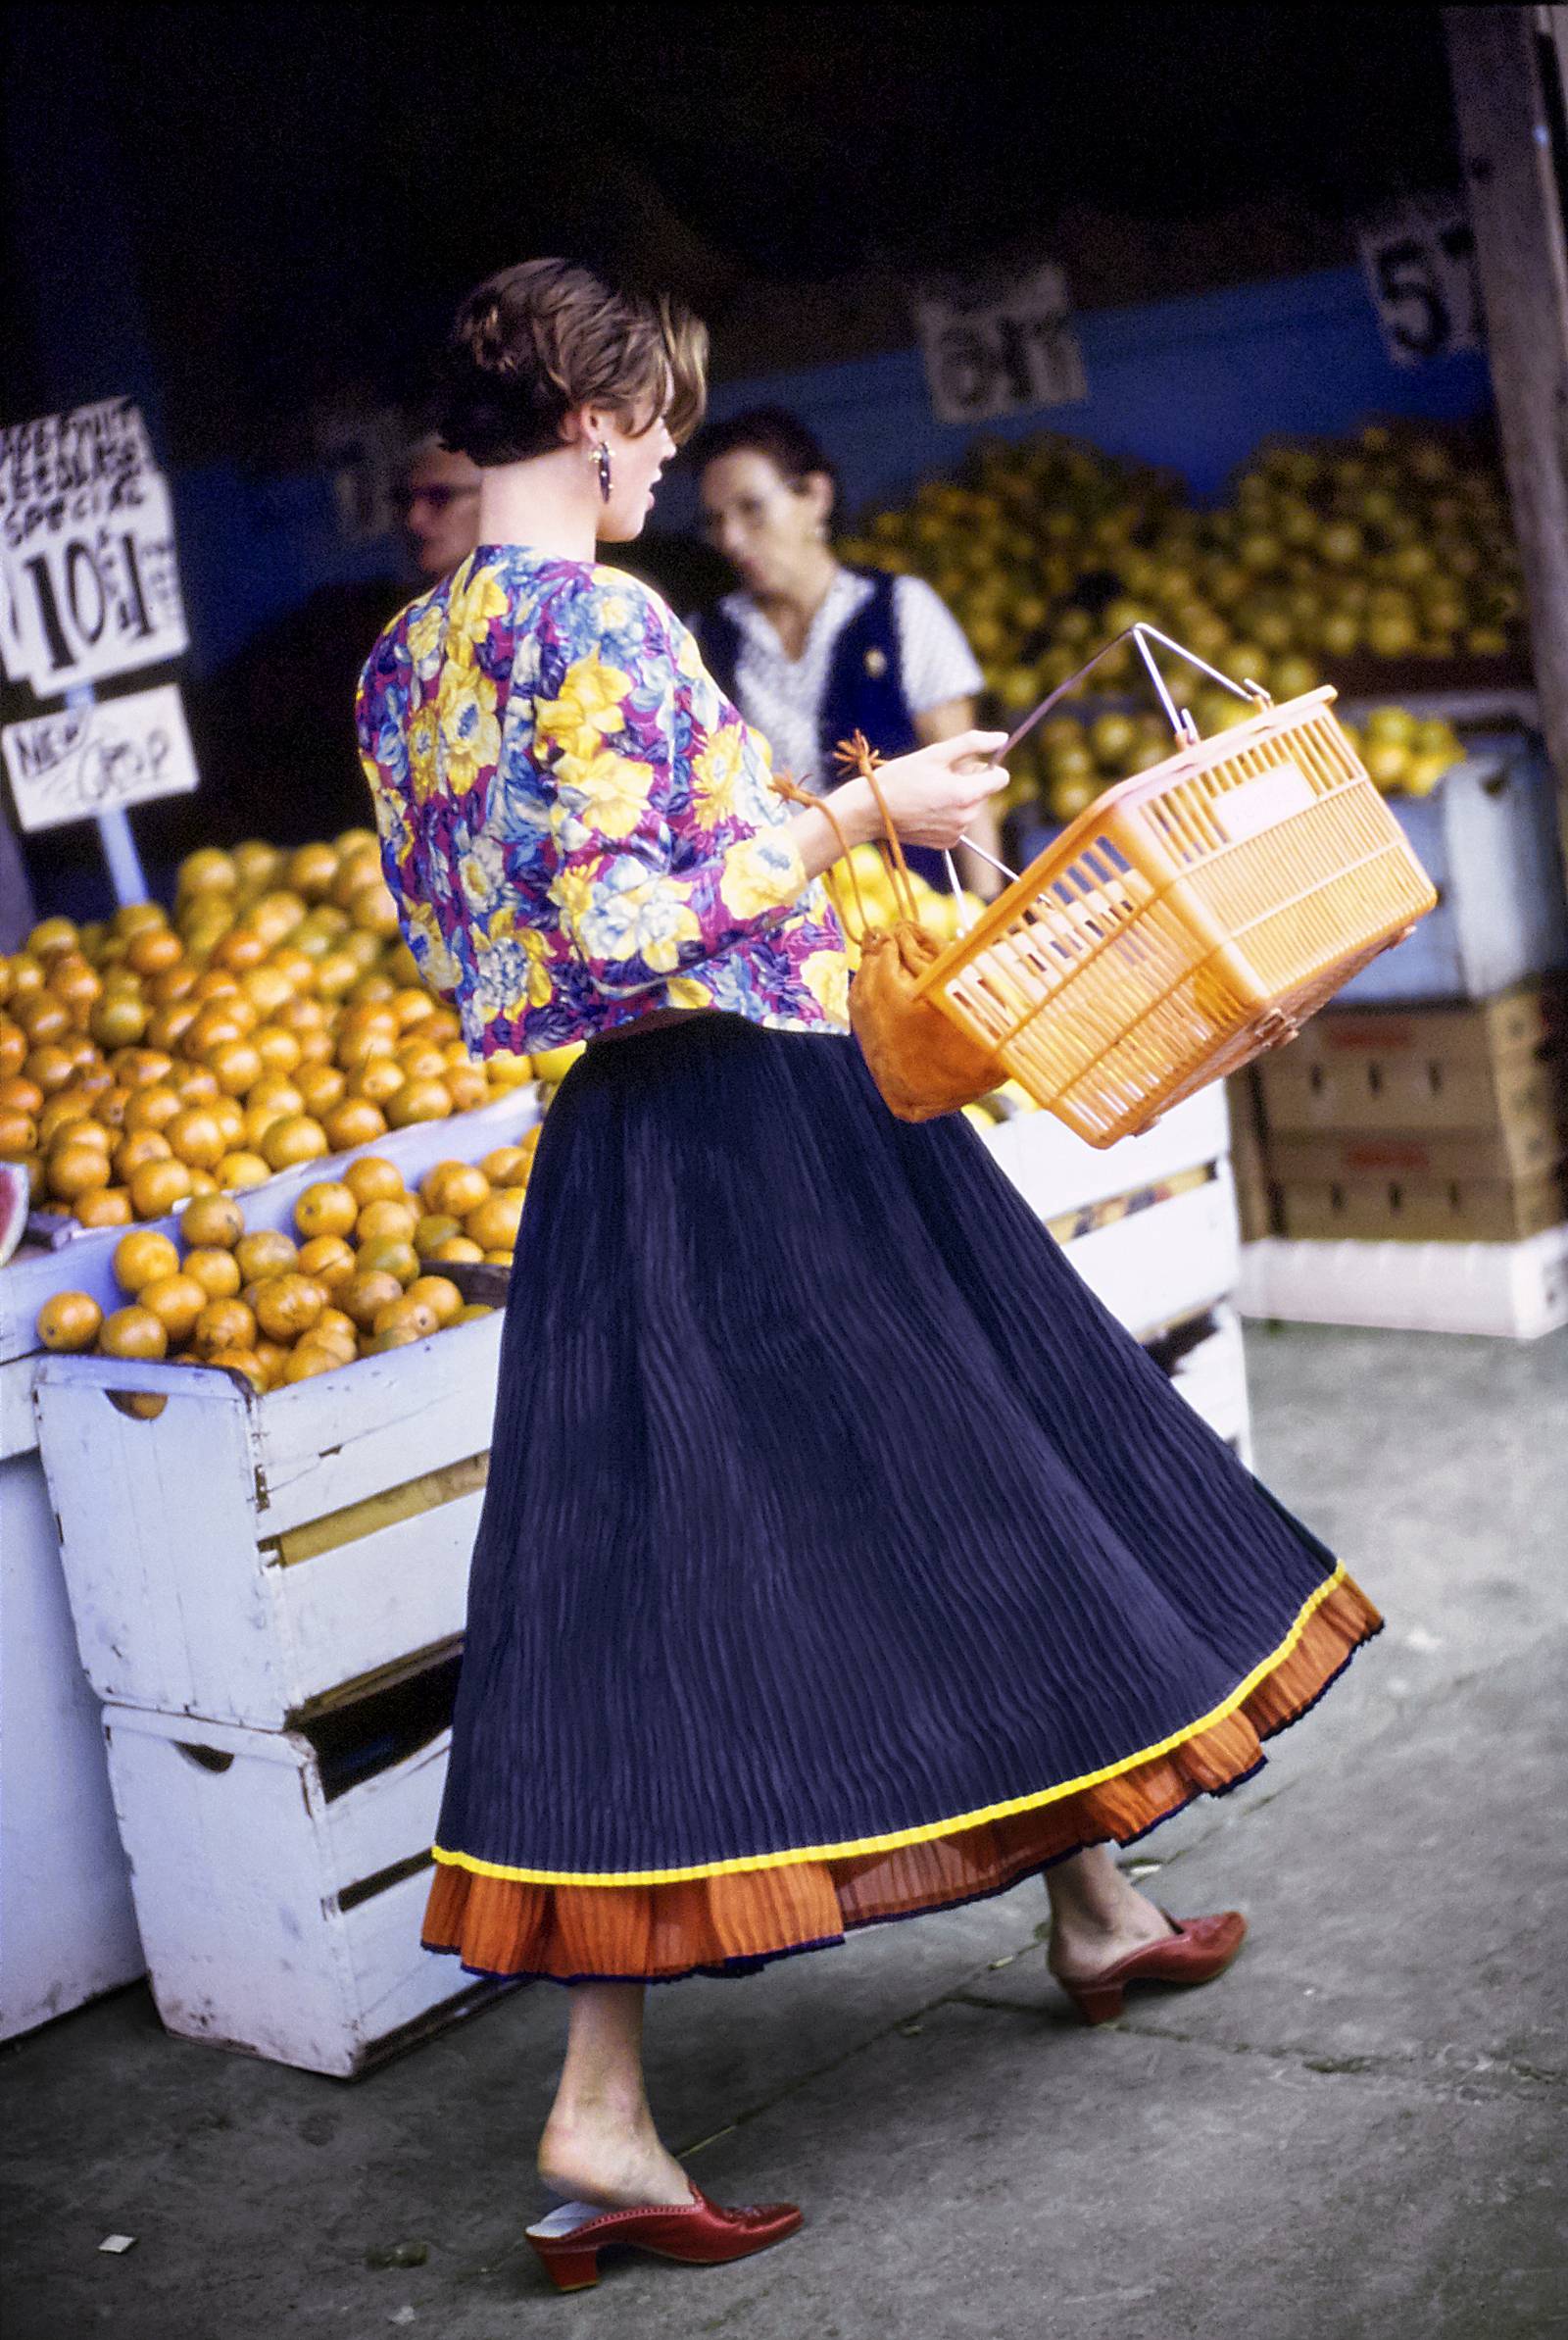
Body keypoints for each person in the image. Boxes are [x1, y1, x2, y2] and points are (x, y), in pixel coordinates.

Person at [356, 259, 1381, 2295]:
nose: (659, 458)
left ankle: (1080, 1896)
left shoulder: (406, 662)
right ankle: (607, 2097)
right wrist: (863, 807)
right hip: (763, 1122)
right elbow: (652, 909)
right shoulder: (602, 621)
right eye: (651, 425)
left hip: (623, 1146)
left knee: (733, 1548)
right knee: (937, 1481)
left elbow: (492, 957)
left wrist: (849, 850)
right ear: (589, 409)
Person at [690, 408, 1004, 900]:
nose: (730, 539)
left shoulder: (899, 610)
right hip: (779, 928)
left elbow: (967, 775)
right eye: (716, 521)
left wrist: (988, 910)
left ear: (815, 497)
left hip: (914, 913)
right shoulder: (703, 641)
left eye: (751, 508)